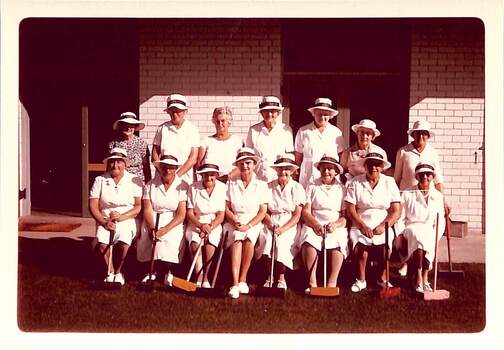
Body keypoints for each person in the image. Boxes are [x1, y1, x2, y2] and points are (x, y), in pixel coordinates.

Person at [393, 120, 449, 276]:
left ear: (428, 136)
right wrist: (395, 201)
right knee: (408, 232)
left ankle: (426, 260)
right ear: (413, 134)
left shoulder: (432, 152)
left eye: (425, 133)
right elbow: (397, 178)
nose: (422, 136)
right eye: (419, 133)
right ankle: (406, 261)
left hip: (427, 198)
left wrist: (442, 200)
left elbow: (438, 180)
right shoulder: (403, 152)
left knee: (428, 230)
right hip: (408, 197)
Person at [345, 152, 401, 293]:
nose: (373, 168)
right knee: (361, 245)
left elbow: (396, 211)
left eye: (377, 165)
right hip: (360, 222)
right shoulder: (355, 182)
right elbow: (350, 208)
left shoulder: (390, 182)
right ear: (365, 166)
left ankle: (382, 278)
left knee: (385, 249)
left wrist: (384, 225)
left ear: (382, 167)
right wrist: (362, 225)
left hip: (383, 222)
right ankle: (361, 279)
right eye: (370, 164)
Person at [89, 148, 142, 285]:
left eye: (119, 162)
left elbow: (138, 206)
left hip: (127, 218)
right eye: (112, 162)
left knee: (124, 242)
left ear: (125, 164)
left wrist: (122, 217)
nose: (115, 165)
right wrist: (104, 222)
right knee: (102, 242)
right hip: (106, 219)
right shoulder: (100, 180)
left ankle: (119, 272)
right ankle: (110, 271)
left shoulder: (135, 180)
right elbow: (93, 205)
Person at [297, 152, 348, 293]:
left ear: (336, 171)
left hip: (334, 225)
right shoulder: (312, 186)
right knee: (308, 240)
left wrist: (335, 225)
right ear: (319, 170)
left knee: (338, 240)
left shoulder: (342, 188)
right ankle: (312, 282)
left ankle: (332, 283)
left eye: (330, 168)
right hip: (314, 223)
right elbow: (306, 211)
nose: (326, 171)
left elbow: (344, 217)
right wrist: (315, 225)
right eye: (323, 168)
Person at [224, 147, 269, 299]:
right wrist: (235, 221)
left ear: (254, 164)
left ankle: (243, 278)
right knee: (237, 238)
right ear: (237, 165)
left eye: (248, 163)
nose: (245, 166)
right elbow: (226, 208)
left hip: (253, 221)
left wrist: (249, 225)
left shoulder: (262, 184)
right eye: (241, 163)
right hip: (234, 220)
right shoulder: (231, 183)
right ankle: (235, 283)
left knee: (249, 238)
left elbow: (263, 211)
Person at [136, 154, 188, 286]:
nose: (167, 170)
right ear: (160, 168)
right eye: (164, 167)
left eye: (171, 168)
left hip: (173, 220)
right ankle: (150, 271)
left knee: (170, 238)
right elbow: (147, 209)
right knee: (148, 237)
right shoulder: (150, 185)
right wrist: (152, 228)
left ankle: (167, 272)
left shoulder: (182, 185)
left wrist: (166, 229)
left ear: (176, 168)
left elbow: (181, 213)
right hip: (153, 218)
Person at [258, 153, 305, 290]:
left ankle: (281, 277)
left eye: (286, 169)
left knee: (283, 242)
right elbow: (264, 211)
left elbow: (297, 215)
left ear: (291, 171)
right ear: (276, 170)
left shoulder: (297, 187)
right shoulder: (268, 186)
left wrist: (283, 229)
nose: (283, 172)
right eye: (280, 168)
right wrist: (270, 224)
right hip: (271, 220)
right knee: (266, 239)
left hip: (289, 222)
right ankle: (269, 276)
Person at [397, 163, 446, 293]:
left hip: (429, 229)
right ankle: (419, 277)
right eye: (421, 174)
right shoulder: (407, 193)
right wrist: (400, 235)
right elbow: (400, 218)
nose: (425, 177)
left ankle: (425, 278)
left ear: (432, 177)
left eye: (428, 174)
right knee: (418, 236)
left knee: (426, 236)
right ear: (416, 176)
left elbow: (441, 220)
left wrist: (436, 236)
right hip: (411, 227)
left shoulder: (438, 196)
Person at [185, 160, 226, 288]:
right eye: (206, 174)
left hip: (214, 224)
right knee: (194, 244)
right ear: (201, 175)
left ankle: (206, 278)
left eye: (212, 175)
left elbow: (221, 214)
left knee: (211, 242)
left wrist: (209, 227)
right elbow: (190, 213)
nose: (209, 177)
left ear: (216, 175)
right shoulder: (193, 187)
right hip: (196, 222)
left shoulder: (222, 188)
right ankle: (199, 276)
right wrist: (200, 226)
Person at [295, 97, 345, 188]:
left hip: (330, 177)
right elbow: (298, 157)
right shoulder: (303, 131)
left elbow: (342, 156)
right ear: (313, 113)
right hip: (308, 176)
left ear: (330, 115)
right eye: (319, 114)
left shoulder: (336, 132)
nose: (322, 117)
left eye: (326, 114)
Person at [152, 94, 200, 185]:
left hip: (184, 178)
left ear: (185, 111)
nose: (175, 114)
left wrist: (176, 176)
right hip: (163, 177)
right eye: (172, 111)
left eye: (178, 111)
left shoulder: (192, 130)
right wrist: (163, 174)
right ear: (168, 112)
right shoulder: (162, 128)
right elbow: (154, 155)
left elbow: (193, 158)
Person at [246, 96, 294, 183]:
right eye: (266, 111)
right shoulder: (253, 130)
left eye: (273, 111)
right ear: (261, 113)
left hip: (279, 178)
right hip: (258, 178)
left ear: (278, 113)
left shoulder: (286, 130)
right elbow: (248, 157)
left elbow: (290, 155)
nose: (269, 114)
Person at [197, 107, 243, 183]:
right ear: (214, 122)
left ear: (229, 122)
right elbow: (198, 165)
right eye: (217, 121)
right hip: (210, 184)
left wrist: (227, 177)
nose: (220, 124)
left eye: (223, 121)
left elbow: (241, 165)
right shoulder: (206, 141)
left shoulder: (237, 141)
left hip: (232, 183)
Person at [108, 112, 151, 183]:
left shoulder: (142, 143)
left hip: (137, 182)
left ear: (135, 127)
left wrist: (148, 184)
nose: (128, 128)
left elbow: (146, 167)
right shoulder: (114, 143)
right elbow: (110, 166)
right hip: (119, 182)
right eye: (126, 125)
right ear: (121, 126)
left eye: (131, 125)